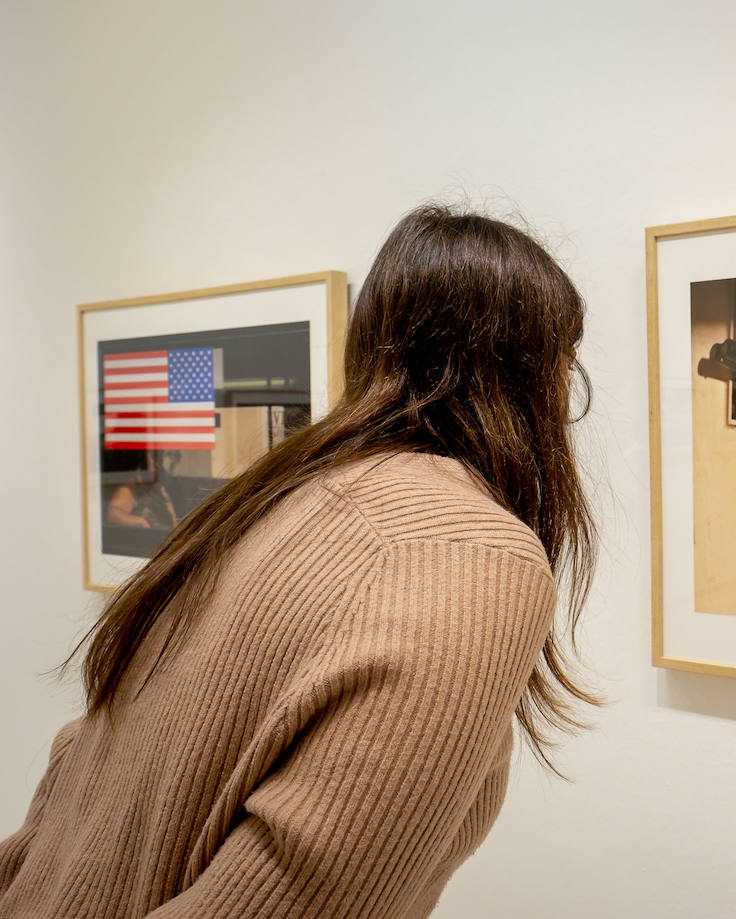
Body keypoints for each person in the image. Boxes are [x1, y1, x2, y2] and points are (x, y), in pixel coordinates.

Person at [0, 205, 597, 918]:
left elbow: (78, 775)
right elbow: (295, 893)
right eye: (566, 360)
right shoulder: (469, 551)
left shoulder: (275, 494)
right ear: (532, 371)